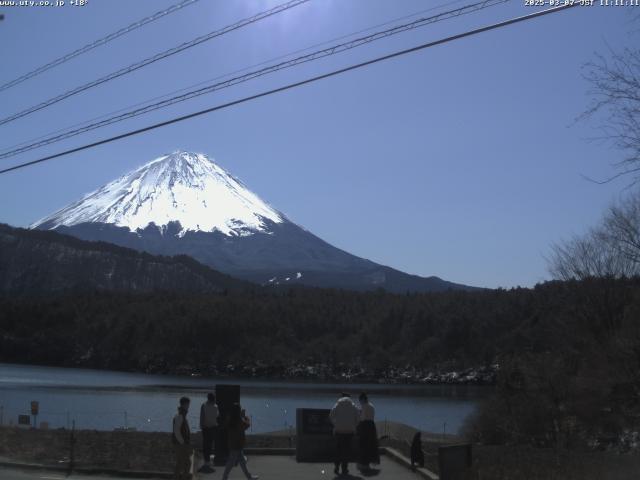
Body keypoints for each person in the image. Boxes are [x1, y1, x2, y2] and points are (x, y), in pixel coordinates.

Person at [221, 403, 258, 480]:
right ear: (238, 411)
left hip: (232, 443)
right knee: (231, 463)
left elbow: (227, 425)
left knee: (242, 462)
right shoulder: (239, 420)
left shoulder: (230, 419)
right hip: (238, 444)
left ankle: (249, 477)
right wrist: (245, 416)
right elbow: (247, 425)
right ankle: (224, 478)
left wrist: (241, 416)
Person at [329, 392, 360, 476]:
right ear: (349, 398)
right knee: (346, 450)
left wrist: (335, 424)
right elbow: (358, 418)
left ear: (341, 397)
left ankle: (336, 466)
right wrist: (354, 426)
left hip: (339, 431)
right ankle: (345, 468)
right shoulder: (353, 406)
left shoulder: (337, 404)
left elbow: (331, 415)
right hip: (349, 431)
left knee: (338, 449)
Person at [356, 392, 380, 472]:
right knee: (371, 444)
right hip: (372, 426)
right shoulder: (371, 405)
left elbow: (362, 418)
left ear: (362, 399)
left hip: (365, 426)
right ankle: (368, 463)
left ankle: (364, 463)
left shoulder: (364, 406)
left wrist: (359, 414)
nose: (360, 402)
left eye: (360, 400)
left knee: (363, 445)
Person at [172, 396, 193, 480]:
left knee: (180, 463)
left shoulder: (182, 415)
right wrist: (183, 443)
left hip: (180, 443)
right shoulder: (180, 416)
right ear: (184, 404)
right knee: (187, 463)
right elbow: (177, 432)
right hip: (180, 444)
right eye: (188, 404)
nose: (189, 406)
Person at [198, 392, 219, 473]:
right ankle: (207, 461)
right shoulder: (216, 406)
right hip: (213, 428)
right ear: (213, 398)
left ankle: (206, 461)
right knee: (209, 444)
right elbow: (217, 416)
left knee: (206, 444)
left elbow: (201, 417)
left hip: (206, 428)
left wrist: (201, 426)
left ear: (207, 398)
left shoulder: (203, 405)